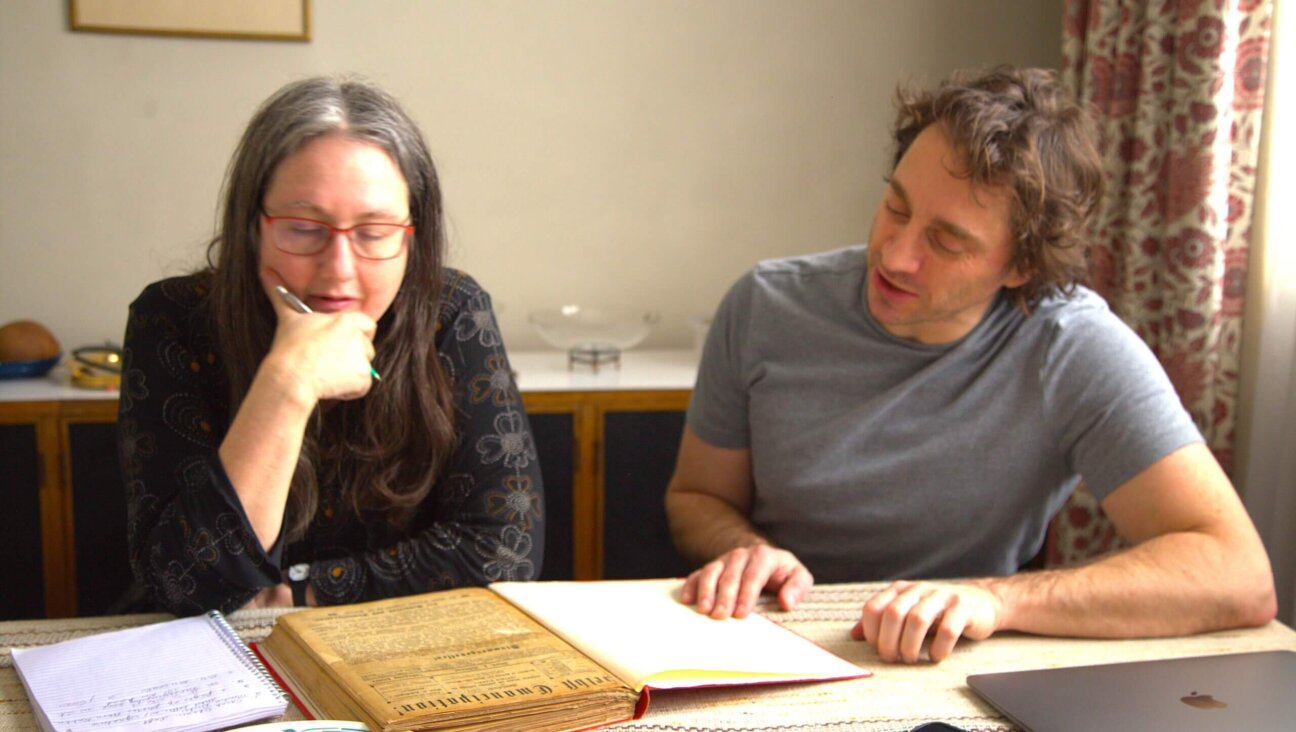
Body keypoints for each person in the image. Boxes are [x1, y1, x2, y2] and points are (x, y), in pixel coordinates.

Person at [665, 66, 1276, 663]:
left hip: (952, 662)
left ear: (1021, 268)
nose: (897, 256)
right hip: (767, 640)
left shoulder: (1070, 346)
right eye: (897, 207)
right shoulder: (765, 305)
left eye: (947, 242)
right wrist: (743, 548)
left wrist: (994, 600)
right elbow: (696, 496)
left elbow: (1237, 575)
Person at [118, 76, 543, 616]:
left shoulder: (452, 311)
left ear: (414, 233)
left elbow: (504, 553)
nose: (339, 272)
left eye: (374, 232)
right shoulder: (173, 319)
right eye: (302, 228)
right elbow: (186, 588)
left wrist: (294, 591)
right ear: (253, 226)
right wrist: (287, 383)